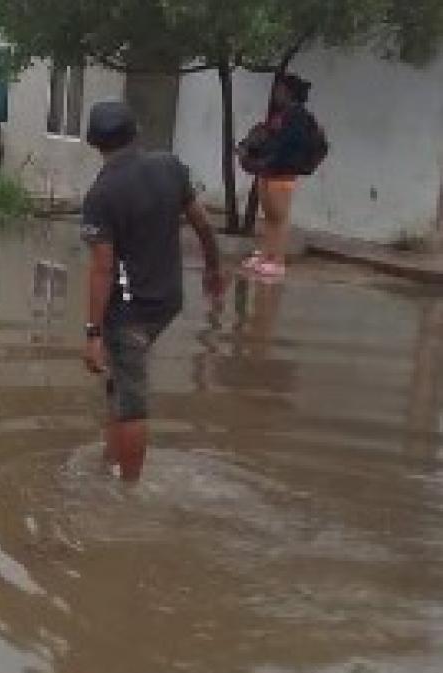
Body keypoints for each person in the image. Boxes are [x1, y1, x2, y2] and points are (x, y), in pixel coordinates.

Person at [81, 101, 224, 482]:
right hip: (168, 300)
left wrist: (93, 333)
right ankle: (110, 463)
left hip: (129, 310)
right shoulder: (169, 166)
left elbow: (102, 268)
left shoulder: (102, 194)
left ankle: (128, 494)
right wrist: (213, 267)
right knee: (121, 380)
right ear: (136, 132)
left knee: (131, 401)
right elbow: (202, 223)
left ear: (95, 143)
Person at [238, 74, 317, 280]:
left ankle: (278, 260)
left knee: (279, 217)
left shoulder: (298, 116)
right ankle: (265, 255)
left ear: (290, 92)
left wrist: (270, 155)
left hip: (283, 173)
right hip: (269, 171)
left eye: (280, 90)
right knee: (270, 216)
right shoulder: (281, 114)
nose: (276, 93)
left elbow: (288, 145)